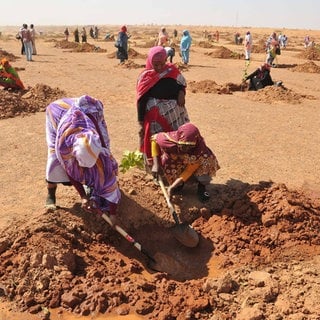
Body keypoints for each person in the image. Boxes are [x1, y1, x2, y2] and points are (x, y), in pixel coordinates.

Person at [45, 95, 121, 224]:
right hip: (58, 112)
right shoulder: (65, 147)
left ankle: (93, 190)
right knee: (54, 160)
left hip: (88, 112)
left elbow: (111, 184)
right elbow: (69, 170)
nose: (85, 168)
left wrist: (113, 214)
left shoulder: (101, 155)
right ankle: (50, 193)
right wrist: (83, 197)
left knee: (102, 171)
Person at [136, 46, 190, 168]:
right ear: (150, 61)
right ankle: (157, 168)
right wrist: (140, 121)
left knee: (176, 140)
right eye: (156, 64)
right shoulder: (145, 76)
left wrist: (182, 93)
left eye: (162, 63)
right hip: (155, 118)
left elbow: (182, 84)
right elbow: (141, 99)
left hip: (176, 116)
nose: (159, 67)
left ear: (166, 60)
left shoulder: (172, 70)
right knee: (157, 141)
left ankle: (176, 167)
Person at [150, 123, 220, 202]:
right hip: (178, 160)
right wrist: (156, 165)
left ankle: (201, 187)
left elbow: (188, 170)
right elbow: (154, 140)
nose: (186, 149)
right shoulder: (169, 140)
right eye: (183, 146)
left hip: (194, 162)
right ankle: (179, 184)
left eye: (190, 146)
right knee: (168, 160)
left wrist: (172, 187)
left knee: (205, 161)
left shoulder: (199, 151)